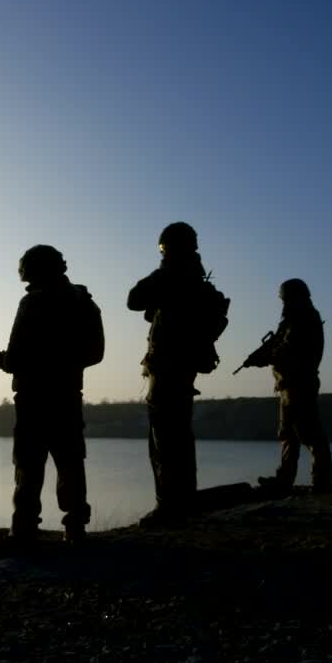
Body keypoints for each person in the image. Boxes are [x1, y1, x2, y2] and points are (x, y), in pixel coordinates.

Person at [0, 245, 104, 544]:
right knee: (70, 461)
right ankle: (75, 527)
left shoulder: (32, 302)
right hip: (67, 394)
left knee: (28, 463)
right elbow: (96, 353)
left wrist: (8, 361)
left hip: (34, 396)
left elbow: (15, 357)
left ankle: (24, 528)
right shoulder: (84, 302)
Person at [127, 222, 230, 527]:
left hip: (168, 365)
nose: (162, 253)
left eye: (163, 248)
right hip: (183, 366)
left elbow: (134, 299)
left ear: (170, 248)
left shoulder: (172, 275)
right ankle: (184, 501)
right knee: (180, 436)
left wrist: (163, 269)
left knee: (165, 438)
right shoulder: (196, 280)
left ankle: (169, 507)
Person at [239, 278, 332, 495]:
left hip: (300, 383)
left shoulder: (304, 318)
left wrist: (262, 359)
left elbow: (287, 350)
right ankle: (284, 480)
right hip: (288, 384)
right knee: (288, 434)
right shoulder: (294, 319)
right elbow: (278, 344)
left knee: (309, 433)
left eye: (284, 299)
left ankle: (321, 482)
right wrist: (260, 355)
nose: (283, 304)